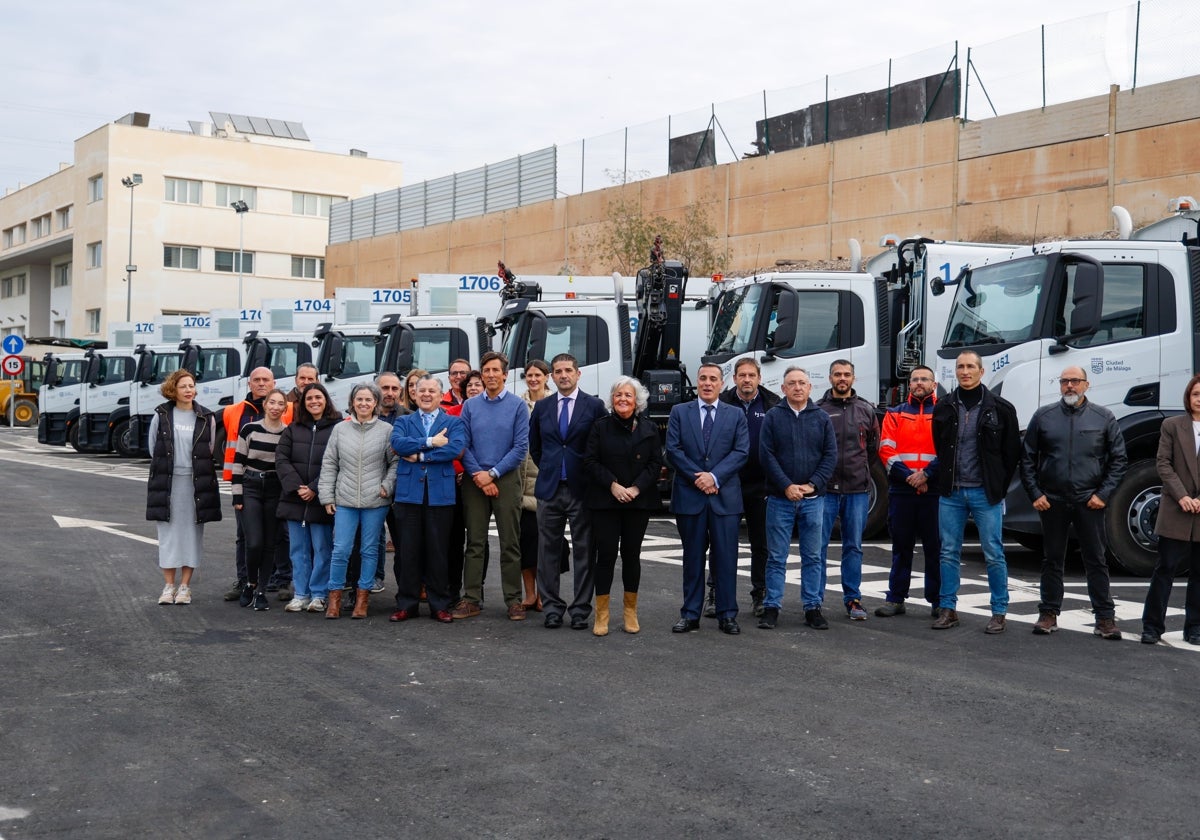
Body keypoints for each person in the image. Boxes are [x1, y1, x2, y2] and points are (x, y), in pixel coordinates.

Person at [1020, 365, 1127, 639]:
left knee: (1096, 559)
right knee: (1052, 559)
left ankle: (1105, 618)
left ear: (1086, 385)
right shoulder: (1044, 416)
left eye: (1075, 381)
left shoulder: (1103, 417)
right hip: (1052, 500)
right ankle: (1048, 613)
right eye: (1065, 381)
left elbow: (1119, 460)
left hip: (1088, 500)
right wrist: (1036, 494)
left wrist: (1103, 495)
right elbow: (1028, 458)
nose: (1070, 386)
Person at [931, 351, 1021, 633]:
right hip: (952, 493)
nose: (965, 371)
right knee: (947, 552)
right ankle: (948, 609)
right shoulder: (944, 406)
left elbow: (1011, 455)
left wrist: (997, 487)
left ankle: (999, 612)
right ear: (955, 372)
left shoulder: (1001, 408)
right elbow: (939, 447)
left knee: (993, 553)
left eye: (971, 366)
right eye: (960, 367)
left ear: (982, 372)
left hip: (985, 493)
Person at [665, 363, 749, 635]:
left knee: (726, 559)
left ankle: (727, 614)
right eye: (703, 378)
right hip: (690, 497)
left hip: (724, 498)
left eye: (713, 379)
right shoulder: (679, 412)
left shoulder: (735, 415)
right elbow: (673, 450)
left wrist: (713, 478)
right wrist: (698, 478)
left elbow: (741, 451)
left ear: (722, 384)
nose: (708, 383)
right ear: (697, 383)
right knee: (692, 559)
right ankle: (690, 614)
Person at [530, 353, 606, 630]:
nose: (563, 375)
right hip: (549, 489)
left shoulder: (595, 406)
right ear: (551, 376)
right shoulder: (542, 407)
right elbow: (536, 447)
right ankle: (551, 608)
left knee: (585, 551)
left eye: (568, 370)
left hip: (582, 490)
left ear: (578, 374)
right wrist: (551, 468)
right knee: (547, 552)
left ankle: (580, 610)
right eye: (558, 371)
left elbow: (601, 446)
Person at [758, 366, 837, 630]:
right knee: (776, 556)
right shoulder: (772, 417)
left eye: (802, 382)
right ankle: (771, 607)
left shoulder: (822, 418)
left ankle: (812, 607)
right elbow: (766, 455)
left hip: (814, 499)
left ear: (810, 387)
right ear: (783, 389)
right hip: (780, 499)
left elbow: (830, 456)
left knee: (813, 556)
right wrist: (786, 486)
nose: (797, 387)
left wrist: (813, 484)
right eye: (791, 383)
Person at [453, 352, 529, 621]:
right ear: (481, 375)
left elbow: (520, 448)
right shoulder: (470, 406)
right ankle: (471, 598)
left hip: (506, 479)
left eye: (496, 370)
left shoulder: (518, 406)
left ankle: (513, 600)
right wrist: (478, 475)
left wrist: (493, 474)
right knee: (474, 542)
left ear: (505, 375)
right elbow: (463, 444)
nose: (491, 375)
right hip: (475, 480)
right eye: (486, 370)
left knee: (510, 542)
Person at [585, 376, 663, 635]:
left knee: (632, 556)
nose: (622, 399)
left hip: (637, 502)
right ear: (612, 399)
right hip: (606, 501)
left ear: (637, 401)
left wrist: (635, 488)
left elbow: (655, 464)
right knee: (605, 556)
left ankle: (630, 612)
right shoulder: (600, 427)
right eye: (618, 395)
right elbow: (591, 461)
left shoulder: (649, 429)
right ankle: (602, 615)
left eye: (628, 395)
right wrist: (613, 485)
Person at [389, 375, 467, 624]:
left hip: (440, 495)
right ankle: (407, 604)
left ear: (439, 394)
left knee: (438, 551)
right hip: (408, 493)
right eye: (421, 390)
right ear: (413, 394)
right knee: (408, 551)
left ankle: (439, 604)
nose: (426, 395)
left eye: (431, 391)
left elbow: (455, 449)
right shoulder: (403, 421)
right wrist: (430, 442)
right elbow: (398, 444)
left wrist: (422, 456)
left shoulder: (453, 422)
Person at [319, 383, 398, 620]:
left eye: (368, 400)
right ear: (352, 402)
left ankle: (363, 598)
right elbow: (330, 463)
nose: (364, 404)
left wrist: (387, 485)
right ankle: (334, 598)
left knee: (369, 550)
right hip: (345, 499)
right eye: (359, 399)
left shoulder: (386, 430)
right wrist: (327, 496)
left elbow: (395, 462)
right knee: (341, 549)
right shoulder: (340, 430)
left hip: (375, 500)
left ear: (376, 403)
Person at [146, 370, 222, 605]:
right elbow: (152, 448)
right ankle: (168, 586)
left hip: (195, 484)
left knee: (192, 535)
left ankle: (185, 587)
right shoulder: (161, 415)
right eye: (184, 386)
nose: (189, 390)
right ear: (173, 390)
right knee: (168, 534)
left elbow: (209, 449)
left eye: (192, 386)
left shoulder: (206, 417)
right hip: (167, 483)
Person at [219, 366, 292, 602]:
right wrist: (236, 492)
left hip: (274, 488)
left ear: (274, 383)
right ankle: (244, 582)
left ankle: (278, 581)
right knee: (247, 538)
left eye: (266, 380)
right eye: (256, 380)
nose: (261, 383)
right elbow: (234, 454)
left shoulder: (289, 413)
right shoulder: (233, 411)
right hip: (247, 486)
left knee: (278, 537)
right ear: (249, 384)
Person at [875, 366, 942, 618]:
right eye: (915, 379)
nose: (919, 383)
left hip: (933, 490)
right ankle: (896, 598)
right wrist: (912, 478)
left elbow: (946, 450)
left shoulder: (944, 413)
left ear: (933, 385)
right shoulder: (895, 413)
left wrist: (926, 475)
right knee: (901, 546)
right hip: (903, 490)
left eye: (924, 379)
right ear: (909, 384)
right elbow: (886, 450)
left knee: (935, 548)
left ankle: (938, 601)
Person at [816, 359, 880, 621]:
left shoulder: (866, 409)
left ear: (853, 378)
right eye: (837, 374)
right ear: (830, 378)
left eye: (846, 374)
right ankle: (815, 600)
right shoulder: (818, 410)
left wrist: (860, 471)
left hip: (857, 489)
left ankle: (852, 599)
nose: (842, 378)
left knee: (853, 546)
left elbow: (873, 451)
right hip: (825, 490)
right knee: (817, 547)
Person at [715, 357, 779, 617]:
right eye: (742, 375)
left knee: (760, 544)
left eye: (752, 375)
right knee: (721, 543)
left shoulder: (772, 403)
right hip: (728, 484)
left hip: (761, 485)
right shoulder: (723, 403)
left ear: (759, 378)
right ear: (735, 379)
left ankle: (759, 594)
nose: (747, 380)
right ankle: (715, 593)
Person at [1141, 374, 1200, 645]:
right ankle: (1152, 627)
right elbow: (1163, 463)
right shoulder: (1173, 425)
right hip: (1176, 507)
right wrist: (1183, 496)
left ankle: (1195, 629)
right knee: (1165, 569)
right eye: (1196, 394)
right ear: (1188, 398)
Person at [276, 382, 340, 614]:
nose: (314, 401)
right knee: (298, 549)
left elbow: (336, 461)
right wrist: (297, 487)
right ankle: (300, 594)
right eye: (309, 399)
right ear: (302, 404)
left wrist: (314, 488)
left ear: (326, 400)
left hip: (321, 498)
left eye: (318, 397)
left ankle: (319, 594)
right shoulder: (293, 429)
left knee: (323, 548)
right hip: (295, 499)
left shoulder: (337, 428)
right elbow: (281, 460)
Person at [445, 369, 485, 606]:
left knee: (478, 541)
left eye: (477, 385)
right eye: (469, 385)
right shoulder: (451, 414)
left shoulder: (489, 412)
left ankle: (475, 590)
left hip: (481, 480)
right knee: (454, 539)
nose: (472, 388)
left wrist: (474, 473)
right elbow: (451, 448)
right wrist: (460, 472)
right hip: (455, 482)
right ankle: (452, 590)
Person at [518, 359, 552, 610]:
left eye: (538, 375)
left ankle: (545, 593)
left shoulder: (554, 403)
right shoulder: (518, 404)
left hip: (548, 480)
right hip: (520, 481)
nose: (533, 379)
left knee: (547, 544)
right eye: (529, 375)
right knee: (525, 543)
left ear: (546, 377)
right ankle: (530, 594)